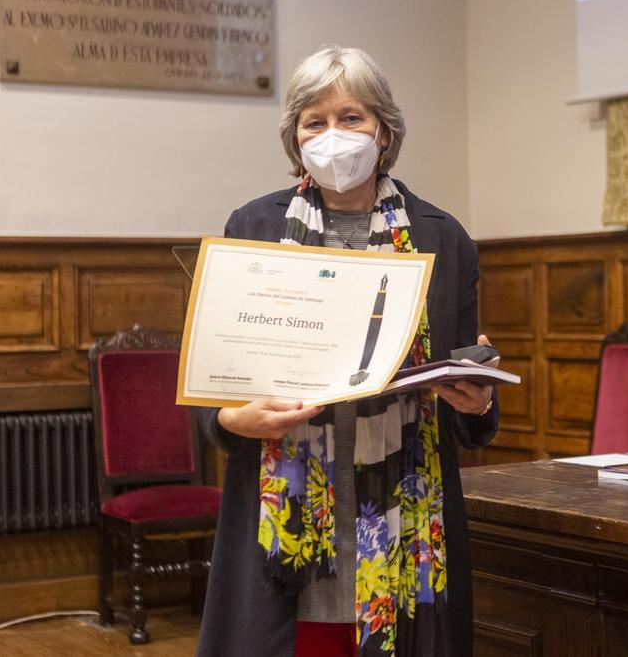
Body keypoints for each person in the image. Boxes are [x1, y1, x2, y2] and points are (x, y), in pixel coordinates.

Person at [195, 45, 498, 657]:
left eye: (352, 117)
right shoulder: (252, 226)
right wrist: (230, 420)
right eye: (315, 121)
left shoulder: (444, 238)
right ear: (295, 138)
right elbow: (213, 383)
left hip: (404, 516)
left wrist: (476, 399)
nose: (334, 135)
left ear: (383, 131)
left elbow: (475, 411)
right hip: (287, 510)